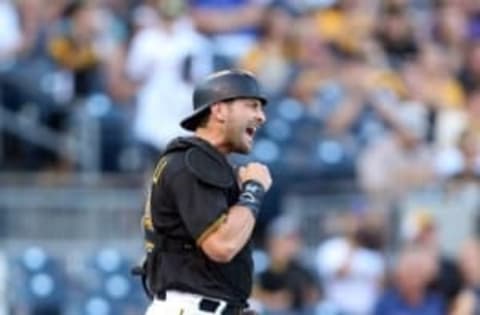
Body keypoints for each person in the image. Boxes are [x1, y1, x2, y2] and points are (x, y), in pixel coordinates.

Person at [136, 69, 272, 315]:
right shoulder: (193, 161)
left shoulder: (201, 162)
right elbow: (222, 245)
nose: (261, 117)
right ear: (219, 110)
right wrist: (254, 188)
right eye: (251, 106)